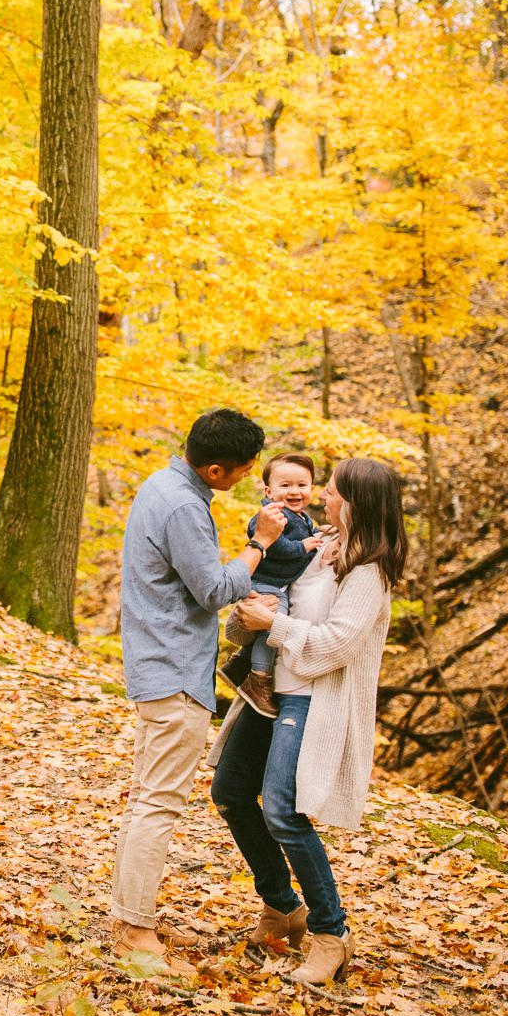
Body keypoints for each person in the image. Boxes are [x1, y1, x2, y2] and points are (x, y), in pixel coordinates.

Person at [207, 457, 408, 986]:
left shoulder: (370, 572)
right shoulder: (320, 546)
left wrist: (273, 623)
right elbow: (271, 600)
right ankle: (281, 907)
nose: (324, 498)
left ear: (358, 503)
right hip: (267, 692)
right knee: (229, 791)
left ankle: (330, 932)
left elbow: (337, 644)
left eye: (335, 493)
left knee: (282, 811)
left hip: (310, 699)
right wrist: (250, 612)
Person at [110, 409, 290, 974]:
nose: (246, 477)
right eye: (241, 471)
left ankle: (129, 915)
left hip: (158, 663)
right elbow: (213, 590)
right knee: (158, 803)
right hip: (172, 670)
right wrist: (260, 543)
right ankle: (134, 930)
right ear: (214, 468)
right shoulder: (185, 505)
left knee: (147, 798)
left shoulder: (163, 483)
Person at [223, 453, 330, 718]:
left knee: (271, 626)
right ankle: (258, 679)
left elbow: (308, 534)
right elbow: (270, 541)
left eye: (302, 485)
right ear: (269, 491)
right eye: (285, 485)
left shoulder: (303, 518)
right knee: (273, 623)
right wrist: (302, 546)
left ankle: (240, 663)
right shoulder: (271, 514)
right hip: (265, 582)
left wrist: (318, 534)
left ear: (312, 489)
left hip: (279, 584)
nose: (294, 491)